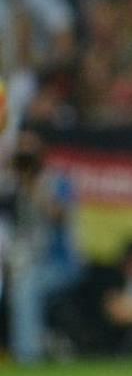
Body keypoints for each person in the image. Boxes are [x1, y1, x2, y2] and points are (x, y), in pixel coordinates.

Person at [6, 130, 82, 364]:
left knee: (25, 287)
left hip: (59, 263)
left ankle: (28, 355)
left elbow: (60, 217)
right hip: (21, 259)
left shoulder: (57, 181)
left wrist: (33, 187)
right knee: (20, 281)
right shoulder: (12, 184)